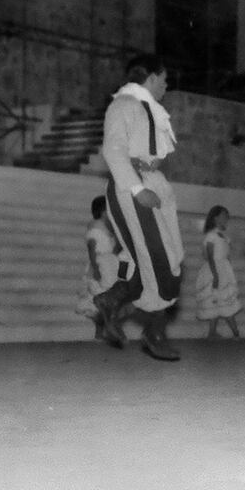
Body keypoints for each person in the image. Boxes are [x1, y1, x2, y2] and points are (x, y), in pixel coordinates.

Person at [94, 54, 186, 361]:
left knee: (169, 260)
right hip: (132, 186)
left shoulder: (148, 109)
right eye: (165, 78)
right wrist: (136, 188)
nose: (167, 84)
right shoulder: (123, 105)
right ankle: (153, 331)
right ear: (152, 77)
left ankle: (113, 300)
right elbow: (113, 150)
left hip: (151, 182)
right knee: (160, 263)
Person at [75, 195, 124, 343]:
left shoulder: (109, 227)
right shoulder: (95, 225)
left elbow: (115, 248)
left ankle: (103, 331)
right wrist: (96, 268)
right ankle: (102, 330)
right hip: (100, 263)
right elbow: (92, 248)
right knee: (100, 298)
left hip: (111, 263)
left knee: (110, 299)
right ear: (103, 211)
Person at [196, 204, 242, 340]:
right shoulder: (211, 236)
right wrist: (215, 274)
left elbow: (226, 254)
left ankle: (212, 332)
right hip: (214, 271)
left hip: (224, 271)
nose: (227, 218)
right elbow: (209, 256)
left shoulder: (223, 236)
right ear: (216, 218)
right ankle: (236, 333)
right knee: (218, 300)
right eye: (224, 216)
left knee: (219, 301)